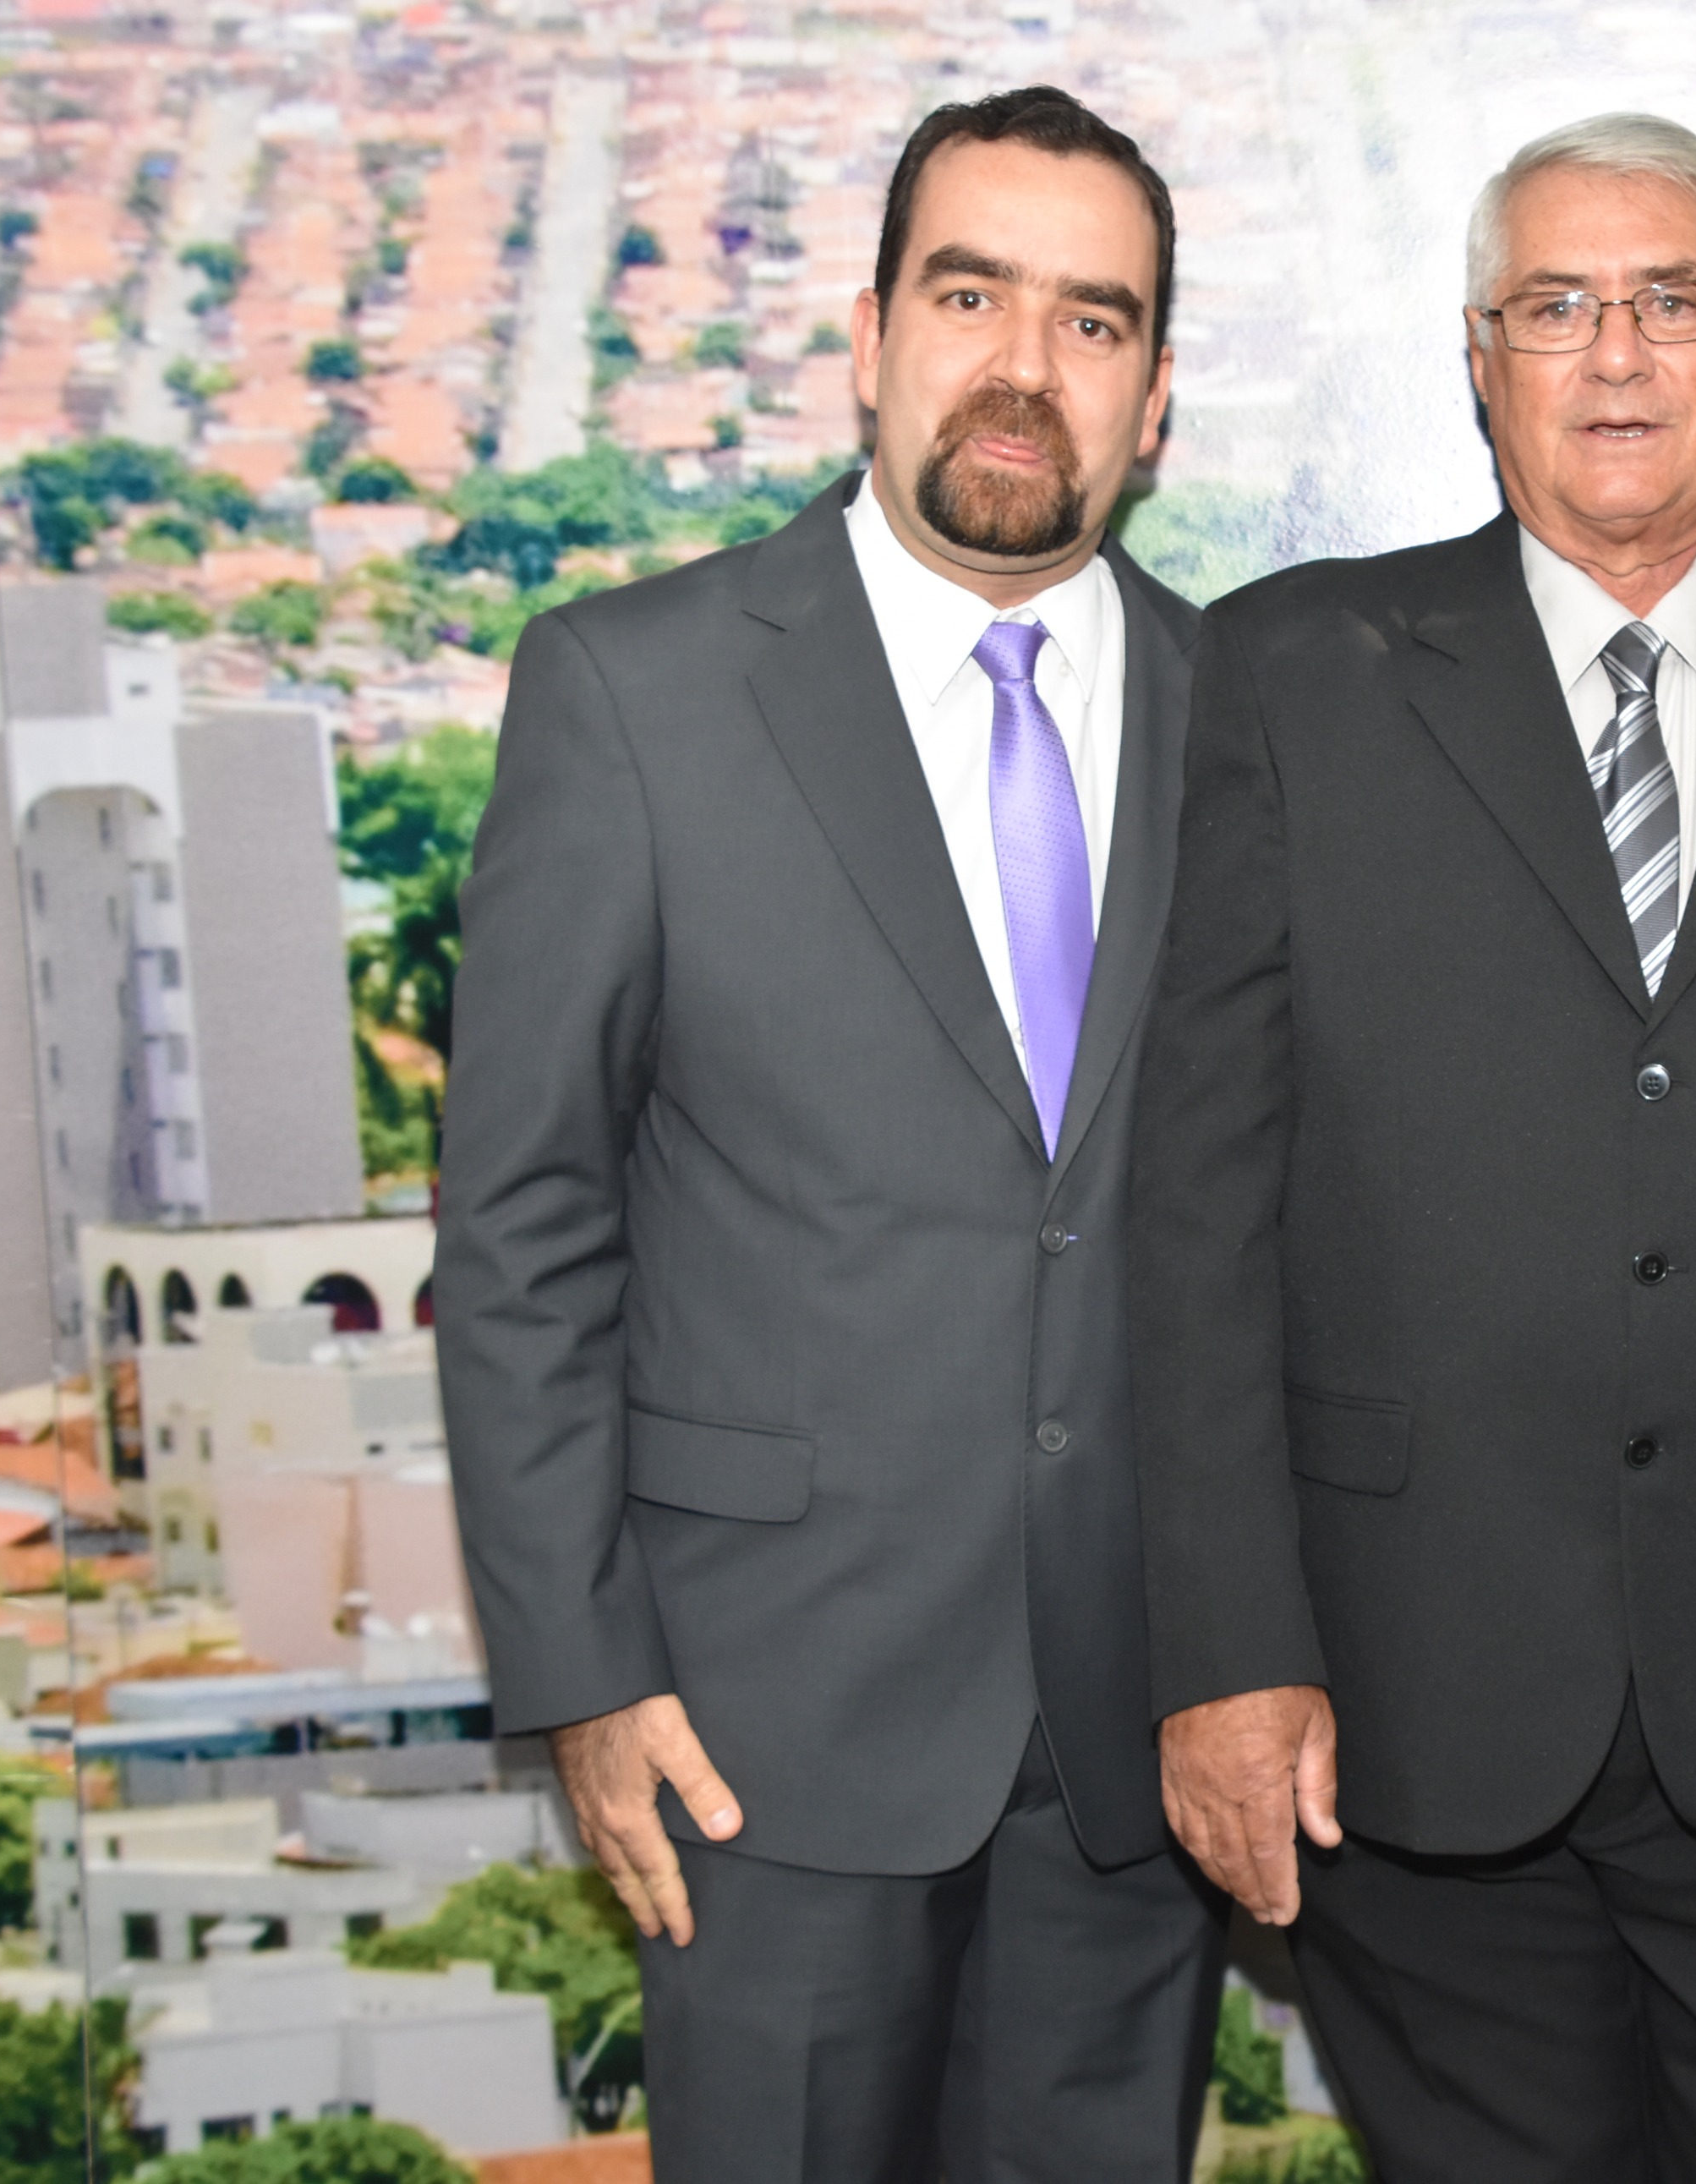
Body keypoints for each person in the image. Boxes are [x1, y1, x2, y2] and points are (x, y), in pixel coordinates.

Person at [1128, 112, 1696, 2182]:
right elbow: (1197, 1212)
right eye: (1554, 305)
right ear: (1480, 359)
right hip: (1406, 1692)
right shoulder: (1291, 673)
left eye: (1669, 300)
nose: (1616, 352)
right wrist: (1228, 1650)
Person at [435, 87, 1223, 2183]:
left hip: (1139, 1734)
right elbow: (522, 1220)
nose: (1024, 364)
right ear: (869, 338)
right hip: (753, 1728)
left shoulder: (1248, 715)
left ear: (1152, 394)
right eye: (970, 295)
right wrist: (584, 1668)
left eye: (1092, 320)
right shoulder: (634, 692)